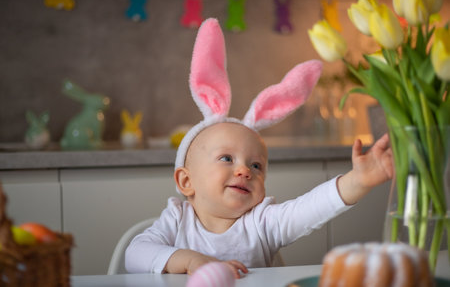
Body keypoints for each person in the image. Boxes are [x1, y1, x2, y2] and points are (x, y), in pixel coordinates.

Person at [125, 18, 393, 278]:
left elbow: (311, 208)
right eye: (226, 158)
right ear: (186, 180)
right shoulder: (176, 219)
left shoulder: (263, 223)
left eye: (257, 166)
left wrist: (358, 180)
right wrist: (191, 260)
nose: (244, 170)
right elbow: (134, 254)